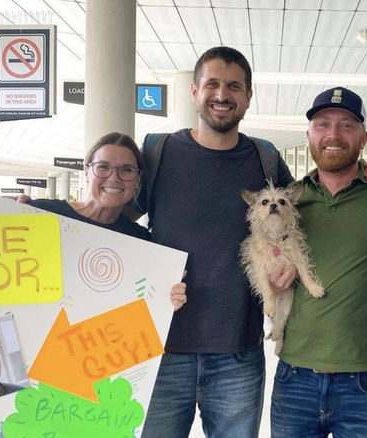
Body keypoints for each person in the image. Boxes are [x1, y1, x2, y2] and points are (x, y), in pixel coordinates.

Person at [0, 132, 187, 436]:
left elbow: (144, 313)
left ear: (137, 179)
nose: (114, 177)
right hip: (17, 395)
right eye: (103, 167)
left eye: (126, 170)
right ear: (87, 169)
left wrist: (168, 298)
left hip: (84, 396)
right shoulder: (38, 213)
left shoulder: (140, 242)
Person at [135, 46, 295, 438]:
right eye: (212, 84)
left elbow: (304, 218)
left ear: (248, 97)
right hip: (161, 347)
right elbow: (109, 216)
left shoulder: (265, 159)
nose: (222, 95)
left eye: (234, 86)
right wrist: (38, 214)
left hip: (237, 351)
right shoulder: (159, 152)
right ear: (194, 91)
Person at [270, 86, 367, 437]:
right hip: (295, 377)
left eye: (347, 125)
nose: (333, 134)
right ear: (309, 135)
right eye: (322, 124)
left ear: (364, 138)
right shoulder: (290, 199)